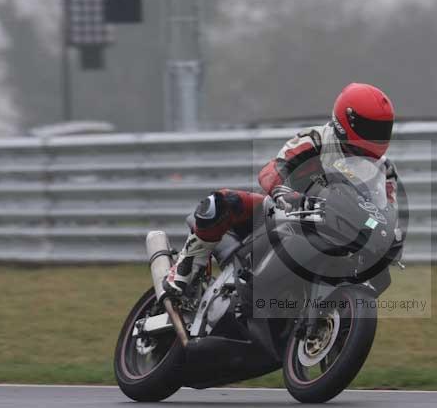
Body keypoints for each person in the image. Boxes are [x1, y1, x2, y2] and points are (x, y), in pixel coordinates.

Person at [163, 83, 397, 296]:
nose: (377, 136)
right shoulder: (314, 140)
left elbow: (387, 211)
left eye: (383, 129)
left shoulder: (384, 170)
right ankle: (186, 267)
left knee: (377, 275)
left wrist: (389, 236)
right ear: (346, 122)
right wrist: (285, 193)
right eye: (371, 128)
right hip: (287, 211)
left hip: (340, 230)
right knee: (220, 203)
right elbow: (272, 170)